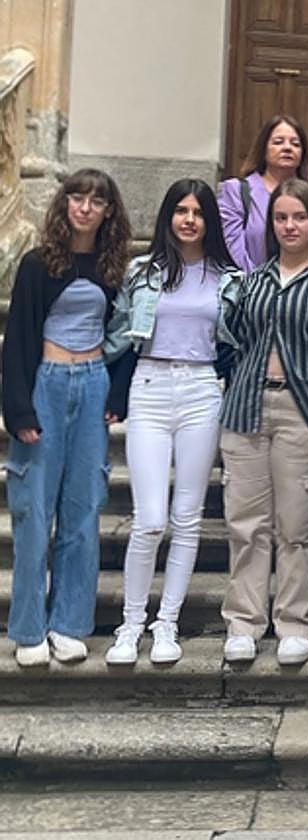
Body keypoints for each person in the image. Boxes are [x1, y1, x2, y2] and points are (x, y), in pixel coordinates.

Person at [220, 178, 308, 666]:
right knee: (245, 523)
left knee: (297, 525)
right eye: (280, 217)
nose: (289, 226)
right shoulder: (253, 280)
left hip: (305, 411)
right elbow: (232, 338)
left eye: (298, 217)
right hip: (245, 408)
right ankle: (244, 621)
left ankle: (295, 622)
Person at [102, 179, 243, 666]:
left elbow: (236, 342)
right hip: (150, 386)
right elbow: (119, 337)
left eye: (198, 212)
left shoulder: (228, 278)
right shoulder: (143, 272)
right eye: (180, 210)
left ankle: (167, 624)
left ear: (209, 220)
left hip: (202, 389)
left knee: (187, 518)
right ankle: (130, 624)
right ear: (167, 217)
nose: (189, 219)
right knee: (149, 520)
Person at [3, 168, 132, 665]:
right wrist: (18, 409)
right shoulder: (38, 264)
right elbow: (16, 339)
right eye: (76, 197)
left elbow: (127, 341)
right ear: (65, 205)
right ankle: (29, 627)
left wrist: (114, 396)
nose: (84, 207)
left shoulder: (113, 268)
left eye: (95, 201)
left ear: (107, 212)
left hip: (93, 381)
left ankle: (71, 622)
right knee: (34, 511)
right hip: (48, 385)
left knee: (82, 509)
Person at [217, 115, 308, 273]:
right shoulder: (236, 192)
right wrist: (261, 285)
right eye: (278, 142)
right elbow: (231, 249)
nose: (287, 148)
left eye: (295, 144)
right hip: (249, 288)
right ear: (263, 148)